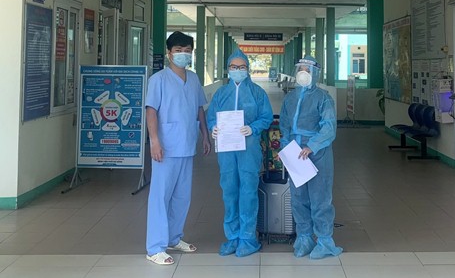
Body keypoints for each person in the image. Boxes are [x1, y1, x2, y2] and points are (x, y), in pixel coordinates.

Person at [145, 31, 212, 265]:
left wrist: (205, 135)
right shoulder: (159, 80)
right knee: (160, 197)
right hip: (165, 148)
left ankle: (174, 237)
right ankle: (155, 247)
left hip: (186, 145)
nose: (183, 54)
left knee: (182, 197)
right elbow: (151, 111)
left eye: (187, 50)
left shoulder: (193, 79)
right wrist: (154, 141)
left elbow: (199, 108)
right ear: (169, 53)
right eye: (178, 50)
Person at [207, 49, 273, 257]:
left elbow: (267, 116)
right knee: (229, 191)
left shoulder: (257, 92)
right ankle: (232, 236)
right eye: (233, 67)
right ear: (228, 69)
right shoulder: (221, 93)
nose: (237, 70)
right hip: (227, 150)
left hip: (249, 148)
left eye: (241, 67)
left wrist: (253, 128)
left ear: (247, 69)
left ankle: (247, 238)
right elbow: (211, 117)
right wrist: (213, 128)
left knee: (248, 191)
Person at [279, 56, 343, 260]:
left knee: (320, 198)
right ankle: (304, 238)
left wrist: (312, 146)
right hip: (294, 151)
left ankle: (324, 240)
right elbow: (285, 126)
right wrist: (285, 147)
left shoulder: (324, 98)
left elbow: (329, 127)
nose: (303, 72)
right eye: (300, 68)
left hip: (317, 153)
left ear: (316, 73)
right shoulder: (290, 98)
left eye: (307, 69)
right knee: (298, 198)